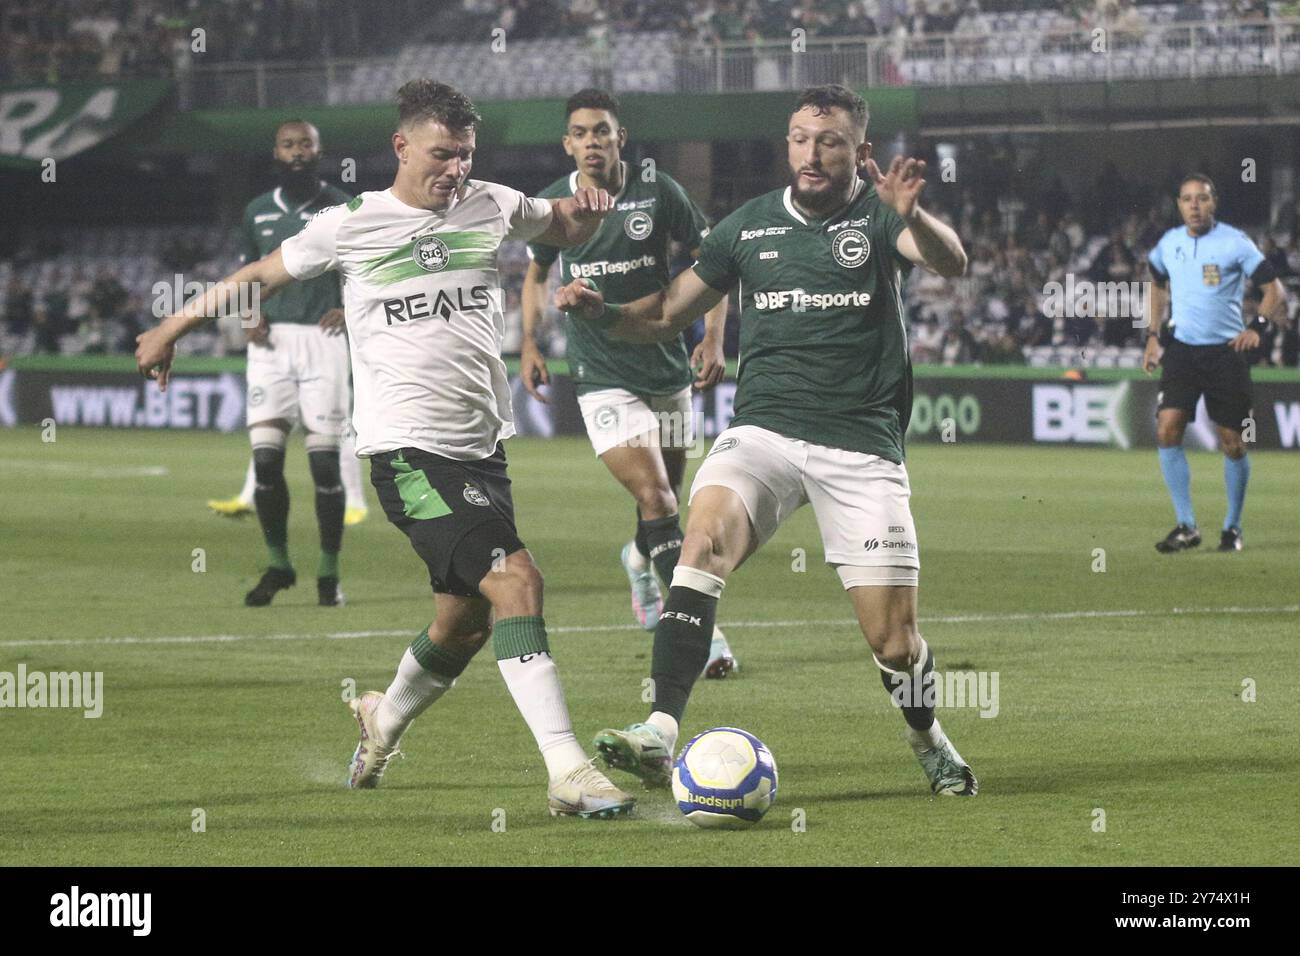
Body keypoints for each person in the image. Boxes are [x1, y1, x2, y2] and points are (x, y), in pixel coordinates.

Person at [136, 80, 634, 818]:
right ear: (401, 146)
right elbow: (259, 276)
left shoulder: (492, 202)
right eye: (441, 154)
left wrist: (592, 207)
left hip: (482, 449)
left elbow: (559, 226)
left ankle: (384, 717)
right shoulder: (352, 224)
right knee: (516, 582)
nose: (454, 169)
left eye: (464, 155)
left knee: (461, 623)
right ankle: (567, 769)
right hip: (406, 449)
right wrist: (172, 326)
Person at [557, 85, 979, 797]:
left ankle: (927, 736)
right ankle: (661, 730)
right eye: (800, 138)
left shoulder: (881, 219)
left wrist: (916, 218)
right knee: (699, 544)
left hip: (861, 446)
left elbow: (952, 262)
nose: (811, 155)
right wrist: (602, 313)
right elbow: (663, 313)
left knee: (895, 644)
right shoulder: (747, 227)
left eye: (830, 141)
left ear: (859, 151)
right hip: (765, 432)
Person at [519, 88, 737, 676]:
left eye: (603, 131)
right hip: (601, 373)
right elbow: (536, 275)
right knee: (657, 498)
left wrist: (712, 338)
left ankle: (639, 561)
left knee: (665, 503)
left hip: (666, 367)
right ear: (568, 143)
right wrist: (531, 341)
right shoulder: (552, 205)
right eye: (581, 133)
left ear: (621, 138)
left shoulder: (657, 190)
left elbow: (712, 259)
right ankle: (699, 637)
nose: (592, 141)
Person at [205, 120, 359, 606]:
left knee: (324, 468)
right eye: (289, 145)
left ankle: (329, 574)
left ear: (319, 150)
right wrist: (249, 314)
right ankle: (279, 564)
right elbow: (248, 274)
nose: (297, 152)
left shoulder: (342, 207)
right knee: (267, 461)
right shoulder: (257, 212)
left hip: (323, 339)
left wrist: (349, 308)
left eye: (306, 145)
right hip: (270, 347)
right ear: (276, 152)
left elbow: (362, 270)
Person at [1143, 173, 1288, 553]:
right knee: (1167, 429)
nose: (1194, 205)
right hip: (1183, 352)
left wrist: (1257, 325)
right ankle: (1187, 526)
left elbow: (1275, 289)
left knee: (1233, 443)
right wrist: (1153, 337)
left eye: (1202, 199)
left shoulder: (1234, 243)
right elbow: (1156, 284)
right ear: (1178, 205)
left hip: (1226, 354)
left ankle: (1232, 527)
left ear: (1213, 203)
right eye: (1187, 199)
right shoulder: (1168, 244)